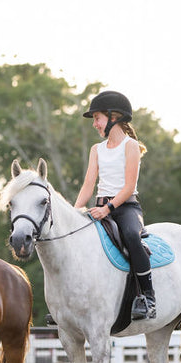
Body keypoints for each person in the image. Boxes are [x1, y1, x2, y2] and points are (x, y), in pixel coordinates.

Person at [73, 90, 155, 320]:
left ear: (114, 117)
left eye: (97, 118)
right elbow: (88, 185)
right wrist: (75, 211)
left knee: (130, 235)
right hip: (99, 208)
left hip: (126, 208)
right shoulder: (96, 150)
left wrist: (108, 209)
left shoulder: (131, 146)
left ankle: (148, 297)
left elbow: (129, 187)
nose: (94, 125)